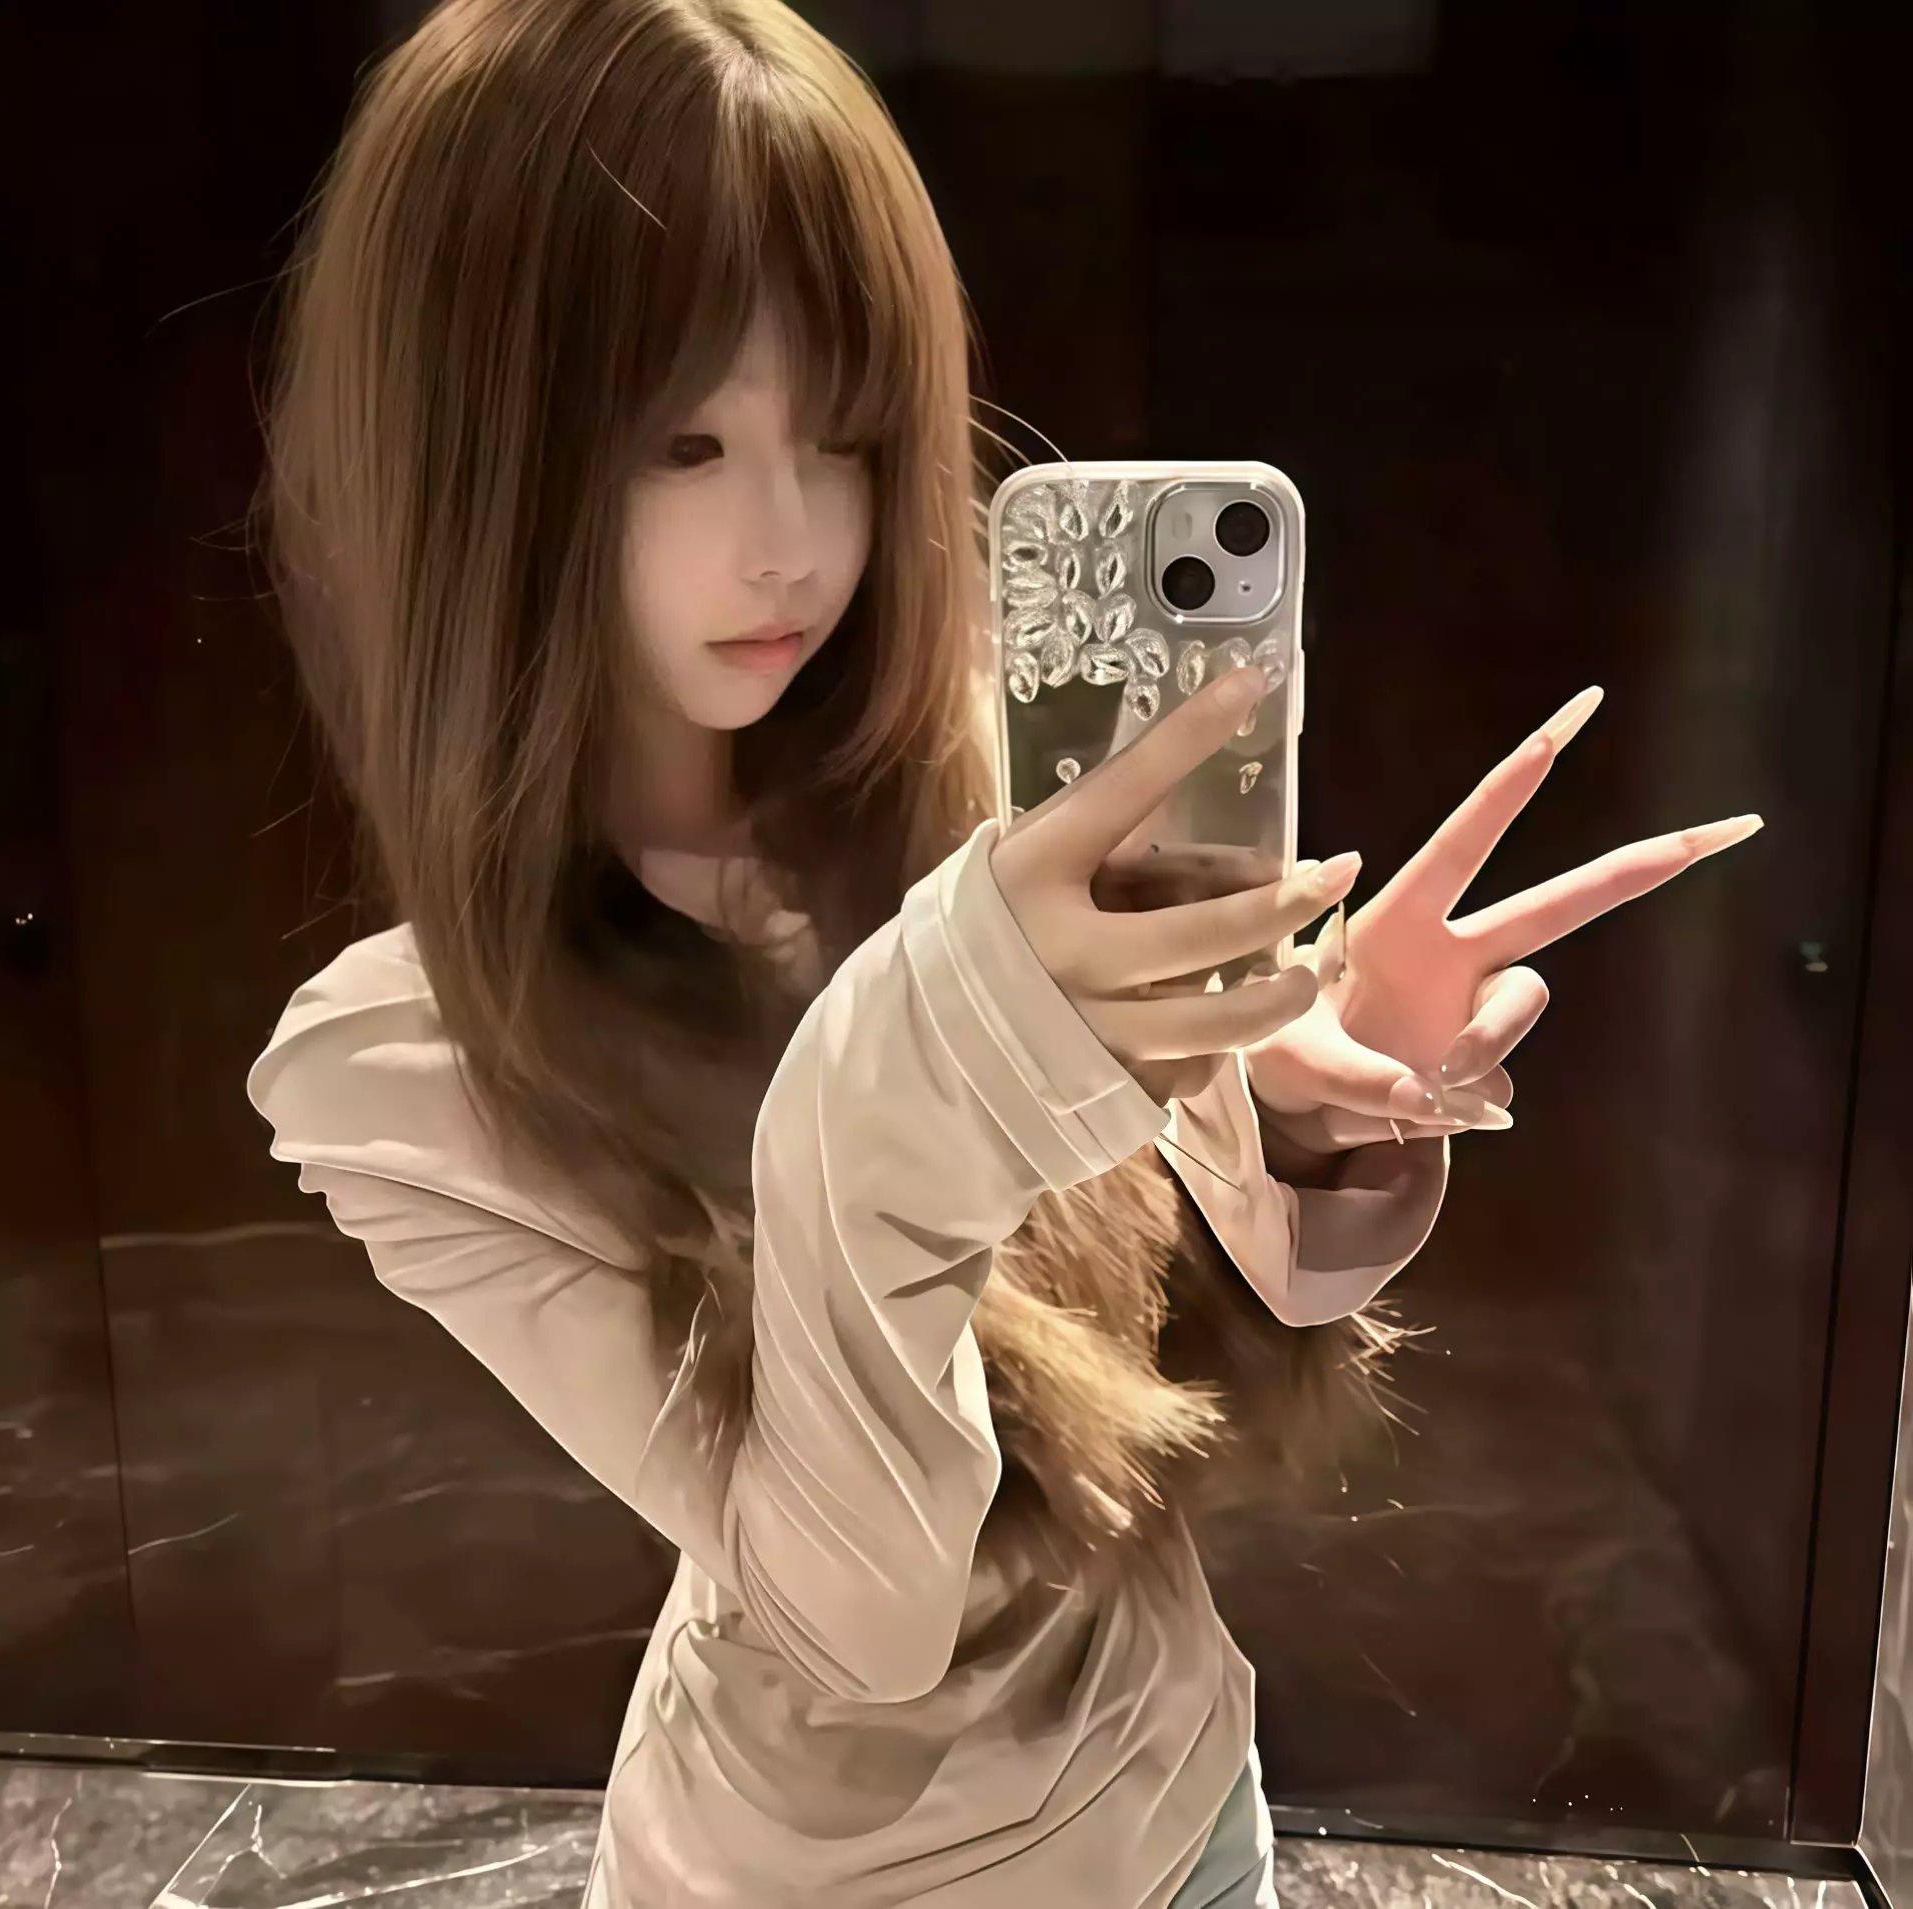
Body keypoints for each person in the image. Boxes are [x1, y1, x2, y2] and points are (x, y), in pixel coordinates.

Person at [243, 2, 1763, 1902]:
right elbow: (859, 1609)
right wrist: (924, 1050)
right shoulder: (409, 1072)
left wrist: (1299, 1110)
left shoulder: (982, 798)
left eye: (849, 436)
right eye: (685, 442)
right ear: (474, 459)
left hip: (1185, 1800)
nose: (791, 539)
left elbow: (1176, 1340)